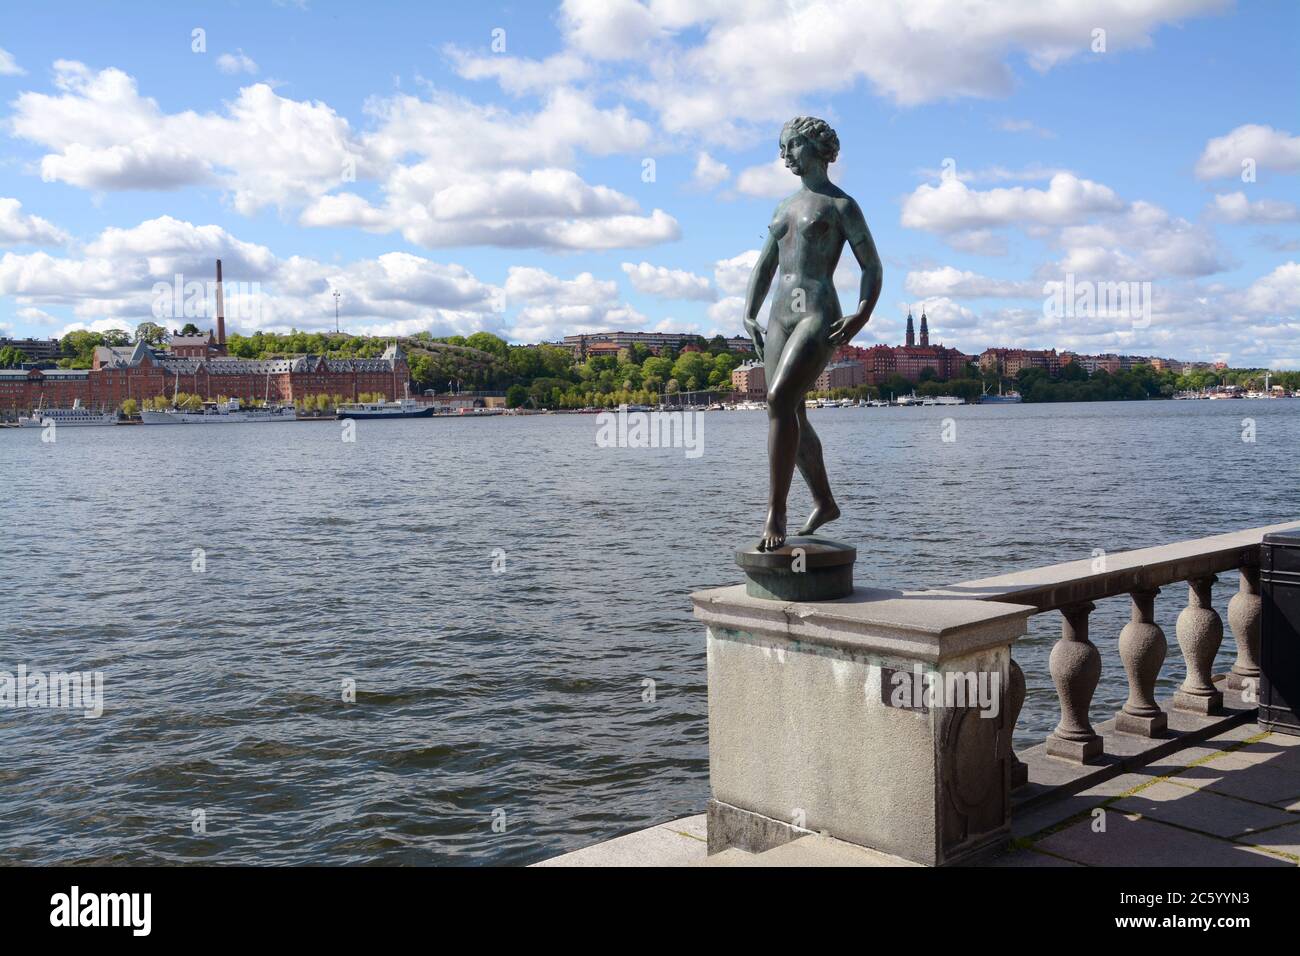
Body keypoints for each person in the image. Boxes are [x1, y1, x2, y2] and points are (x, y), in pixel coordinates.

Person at [743, 116, 883, 552]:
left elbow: (872, 266)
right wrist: (749, 312)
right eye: (782, 149)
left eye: (792, 146)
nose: (785, 156)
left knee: (779, 400)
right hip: (779, 315)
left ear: (817, 149)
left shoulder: (841, 206)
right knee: (794, 414)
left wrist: (862, 314)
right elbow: (765, 265)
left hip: (818, 313)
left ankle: (775, 511)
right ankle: (824, 501)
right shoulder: (782, 207)